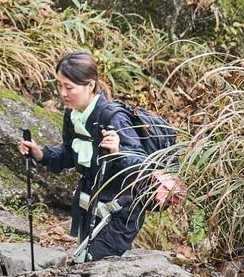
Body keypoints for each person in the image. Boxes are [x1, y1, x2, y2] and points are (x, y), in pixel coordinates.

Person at [17, 50, 147, 261]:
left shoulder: (112, 117)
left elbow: (141, 163)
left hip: (120, 211)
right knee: (87, 267)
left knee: (93, 266)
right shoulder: (73, 114)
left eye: (69, 87)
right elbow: (70, 154)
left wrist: (118, 151)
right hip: (90, 204)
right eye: (59, 85)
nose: (63, 93)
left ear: (91, 85)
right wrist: (40, 154)